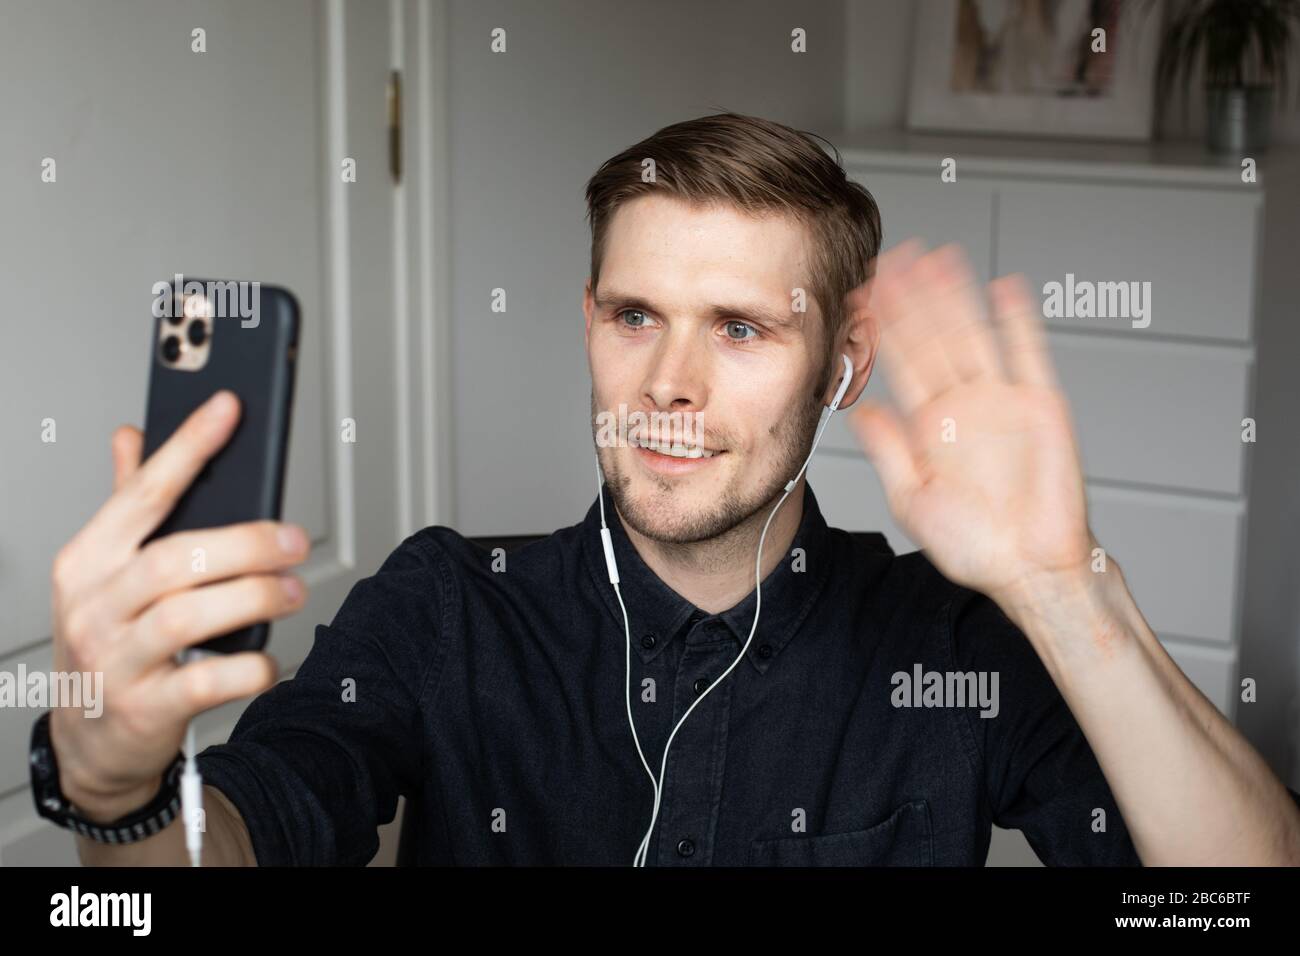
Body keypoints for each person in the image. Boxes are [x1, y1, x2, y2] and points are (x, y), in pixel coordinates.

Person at [41, 112, 1300, 866]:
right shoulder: (445, 609)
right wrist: (111, 794)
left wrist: (1060, 590)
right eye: (634, 313)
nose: (668, 382)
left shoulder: (951, 643)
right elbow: (251, 837)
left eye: (742, 328)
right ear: (587, 319)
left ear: (840, 367)